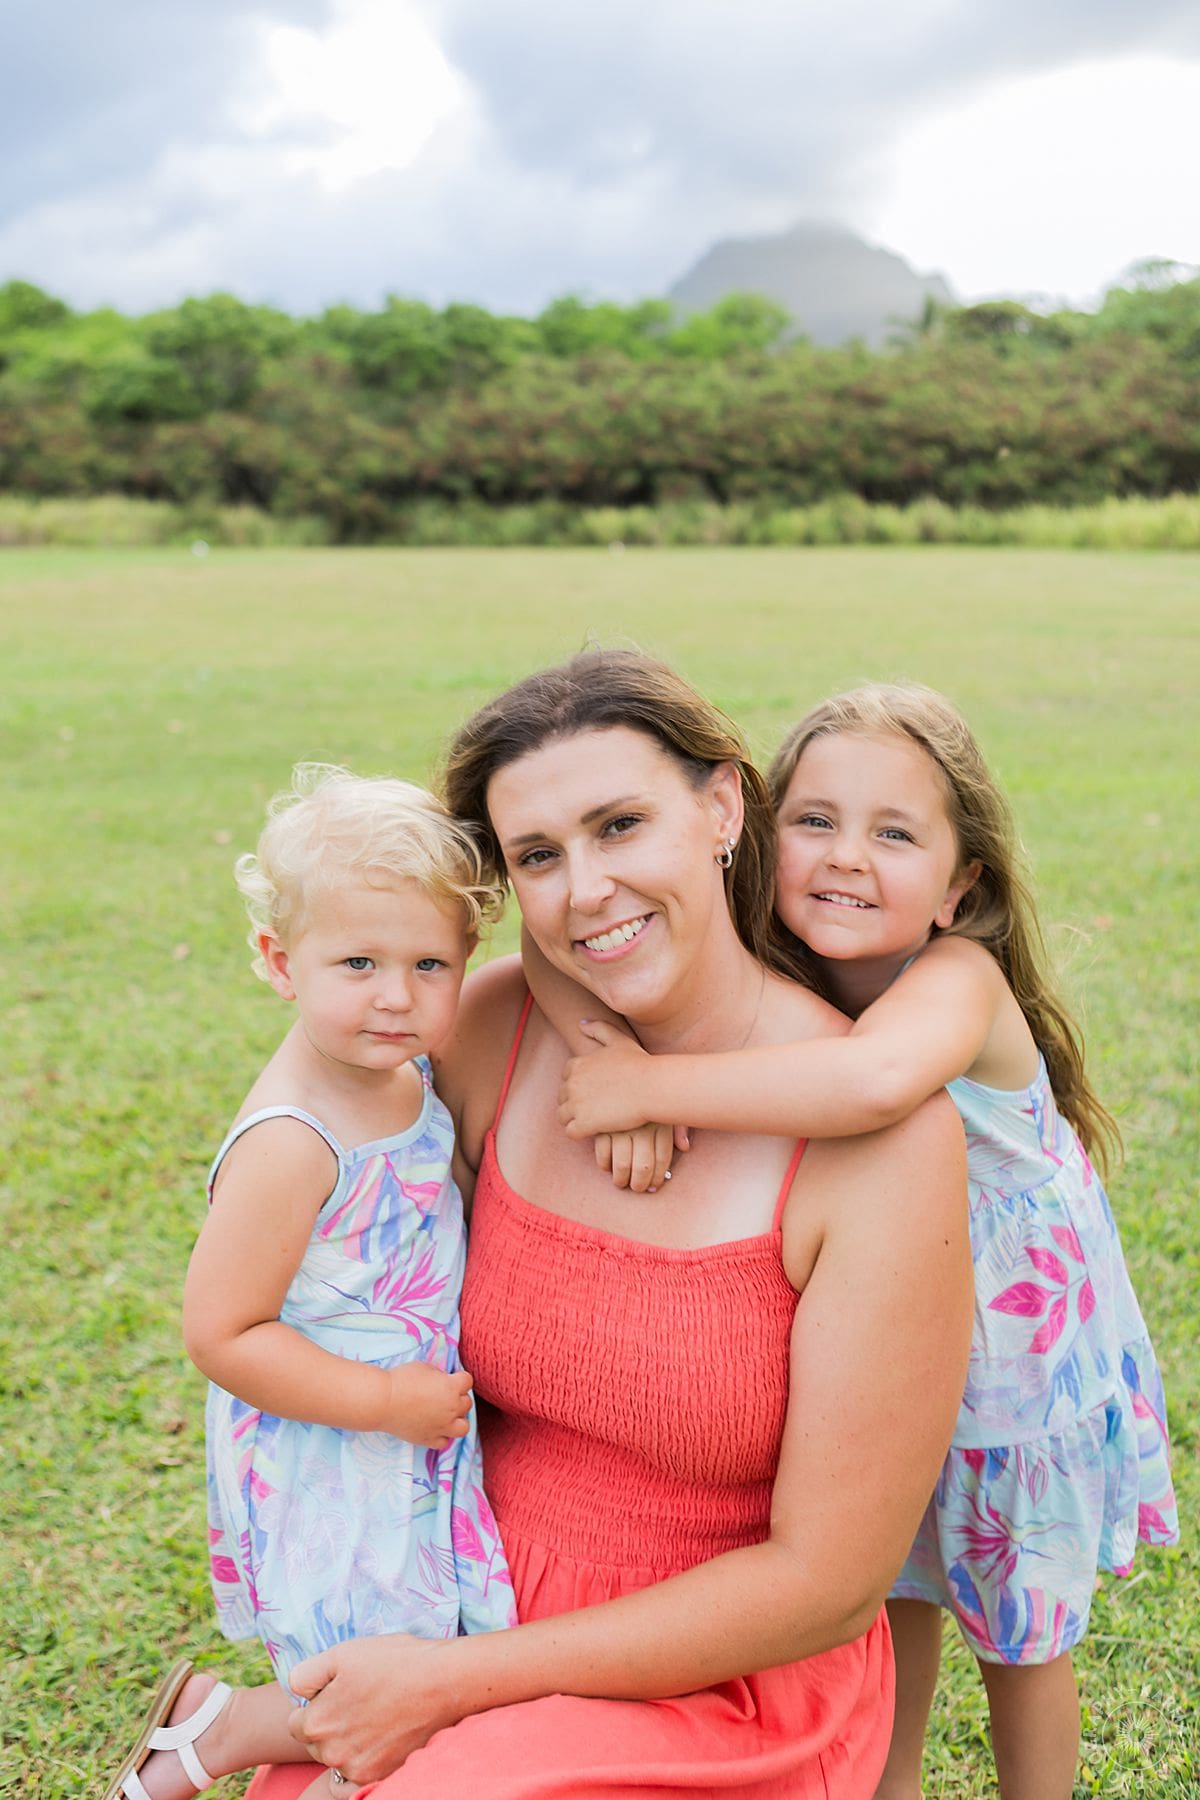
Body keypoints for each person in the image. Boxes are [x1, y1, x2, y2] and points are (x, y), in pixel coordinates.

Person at [241, 650, 973, 1799]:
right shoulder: (486, 1031)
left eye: (621, 825)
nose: (584, 889)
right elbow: (302, 1104)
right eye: (539, 856)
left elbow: (827, 1582)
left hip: (728, 1681)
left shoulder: (881, 1140)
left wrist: (454, 1683)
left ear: (723, 807)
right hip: (468, 1589)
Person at [555, 682, 1180, 1800]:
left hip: (1008, 1379)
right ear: (757, 831)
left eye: (894, 834)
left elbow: (869, 1080)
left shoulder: (958, 981)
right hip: (883, 1367)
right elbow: (565, 951)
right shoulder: (778, 968)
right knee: (889, 1593)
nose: (846, 857)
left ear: (959, 886)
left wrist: (646, 1083)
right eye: (816, 821)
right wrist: (604, 1054)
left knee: (1019, 1637)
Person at [105, 766, 515, 1800]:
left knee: (424, 1655)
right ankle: (236, 1725)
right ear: (278, 962)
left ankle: (236, 1724)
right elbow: (224, 1330)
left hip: (405, 1434)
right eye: (358, 962)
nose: (396, 994)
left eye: (430, 963)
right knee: (382, 1684)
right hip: (334, 1447)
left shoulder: (401, 1074)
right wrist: (383, 1402)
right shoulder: (293, 1139)